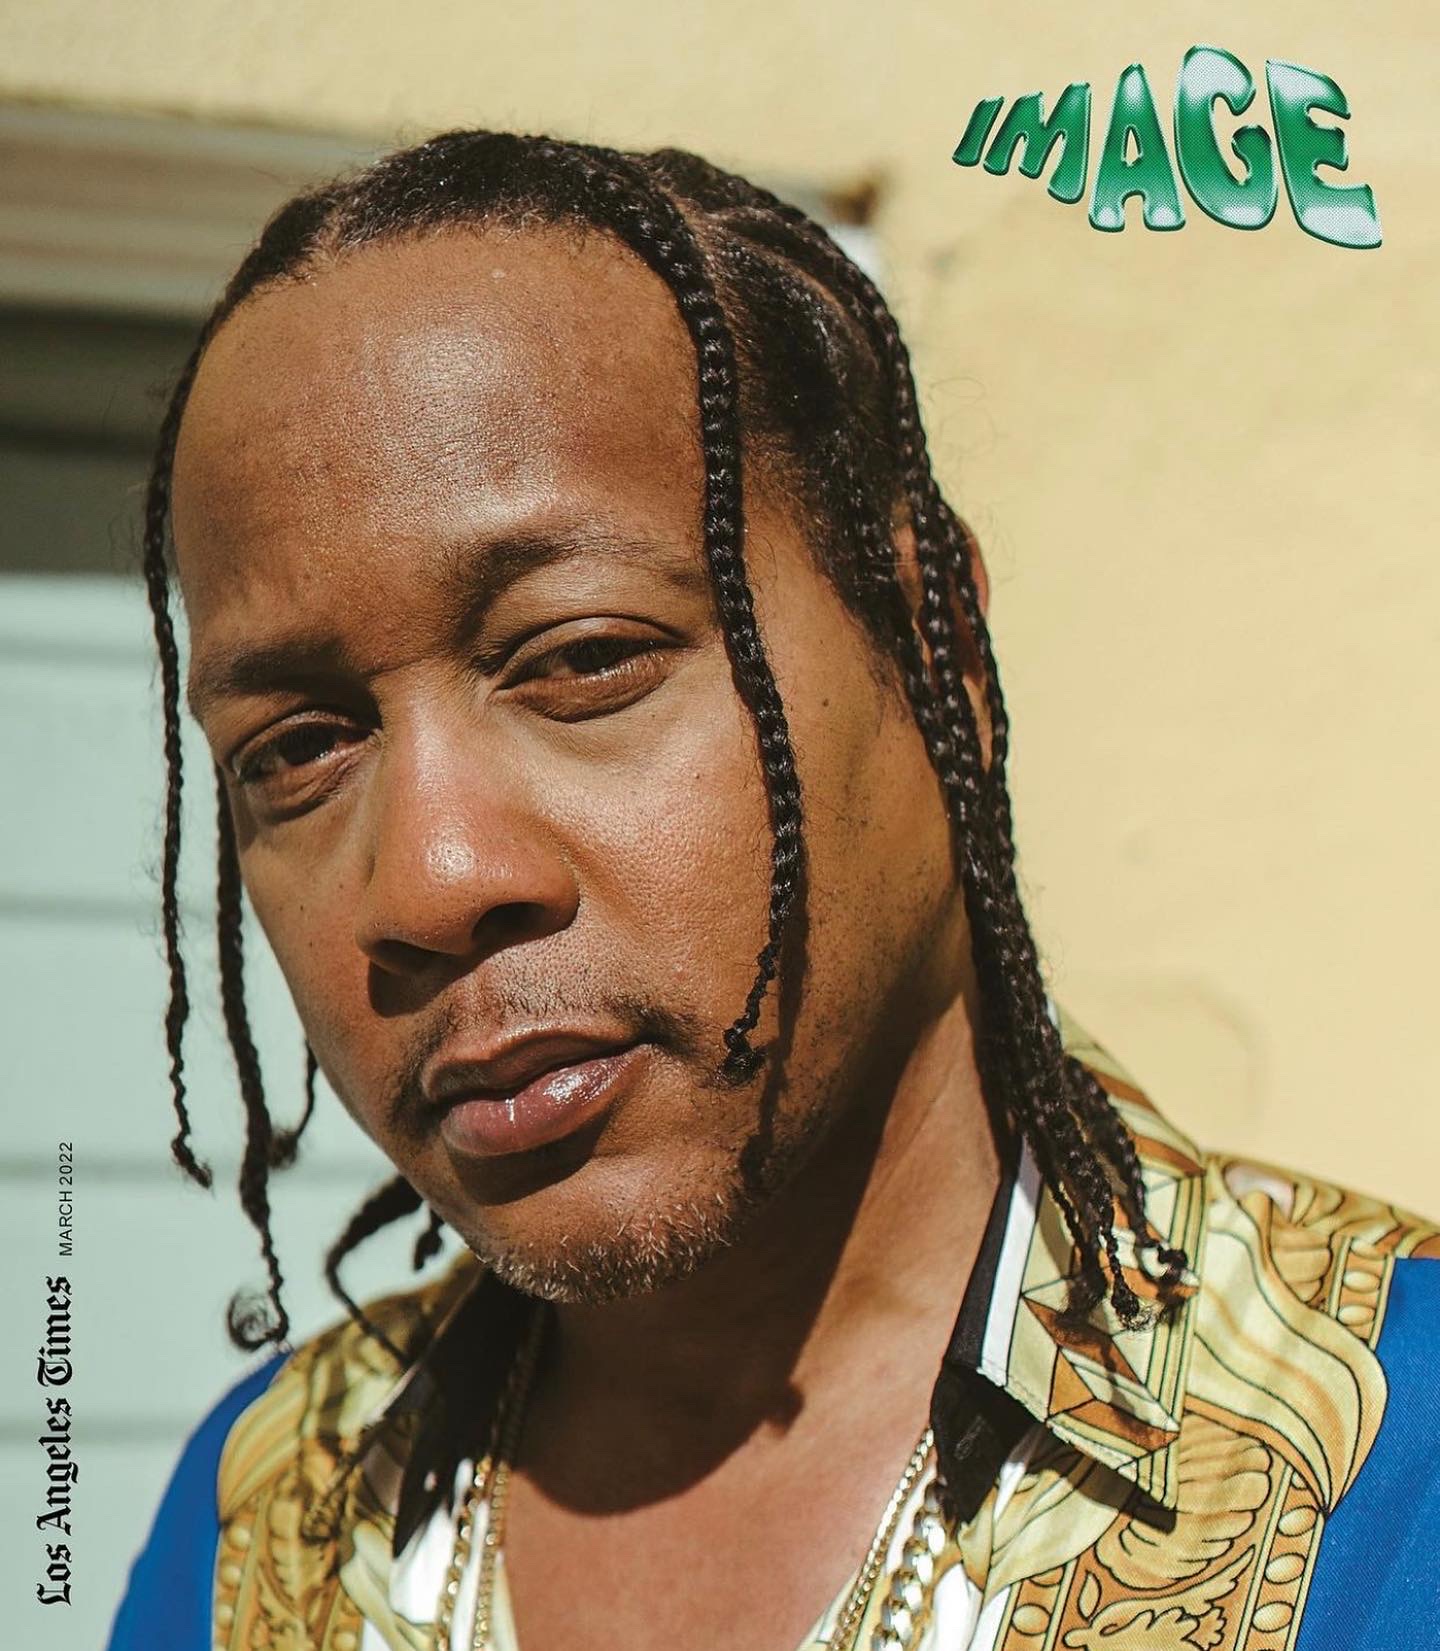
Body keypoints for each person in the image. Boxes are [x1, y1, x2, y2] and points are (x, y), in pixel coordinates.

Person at [107, 130, 1439, 1651]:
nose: (430, 879)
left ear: (933, 646)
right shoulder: (255, 1529)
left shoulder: (1396, 1466)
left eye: (583, 658)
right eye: (297, 750)